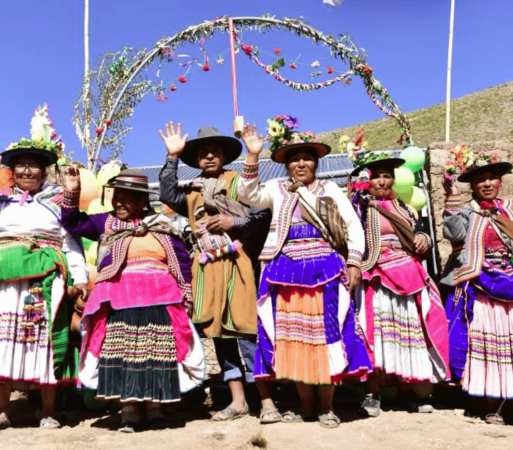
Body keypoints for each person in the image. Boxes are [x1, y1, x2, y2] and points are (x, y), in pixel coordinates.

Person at [236, 117, 371, 428]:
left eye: (307, 158)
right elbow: (247, 194)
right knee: (293, 339)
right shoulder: (277, 189)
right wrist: (253, 155)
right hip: (285, 273)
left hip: (326, 271)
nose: (301, 164)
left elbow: (352, 226)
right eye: (294, 159)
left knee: (326, 337)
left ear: (316, 163)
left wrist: (354, 262)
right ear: (286, 165)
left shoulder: (330, 190)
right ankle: (305, 406)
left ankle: (327, 407)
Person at [0, 105, 88, 432]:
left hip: (43, 281)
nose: (28, 171)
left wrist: (80, 278)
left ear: (44, 173)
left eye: (34, 166)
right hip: (4, 284)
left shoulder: (58, 202)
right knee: (2, 342)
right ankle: (3, 412)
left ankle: (48, 411)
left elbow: (70, 242)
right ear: (13, 172)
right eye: (21, 166)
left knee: (44, 341)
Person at [60, 168, 205, 432]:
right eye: (116, 197)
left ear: (142, 201)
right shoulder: (106, 223)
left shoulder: (162, 225)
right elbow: (73, 223)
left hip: (159, 298)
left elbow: (182, 261)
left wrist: (186, 294)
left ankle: (154, 409)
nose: (118, 203)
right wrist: (71, 191)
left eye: (126, 198)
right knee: (123, 354)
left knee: (155, 354)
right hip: (119, 299)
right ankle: (129, 412)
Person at [157, 123, 272, 421]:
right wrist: (172, 158)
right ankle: (238, 401)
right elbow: (167, 194)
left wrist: (234, 222)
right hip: (207, 268)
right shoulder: (192, 191)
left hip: (238, 264)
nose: (209, 156)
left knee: (247, 330)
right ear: (197, 160)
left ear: (224, 156)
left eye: (215, 151)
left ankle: (267, 400)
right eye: (203, 153)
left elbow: (262, 215)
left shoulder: (240, 183)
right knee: (219, 333)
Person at [442, 151, 513, 428]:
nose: (487, 183)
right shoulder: (467, 210)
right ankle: (492, 406)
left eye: (492, 178)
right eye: (480, 180)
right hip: (482, 284)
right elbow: (454, 234)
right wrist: (452, 197)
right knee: (488, 346)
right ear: (472, 185)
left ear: (500, 181)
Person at [347, 149, 449, 418]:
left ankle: (407, 392)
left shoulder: (405, 208)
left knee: (408, 333)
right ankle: (373, 394)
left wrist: (424, 238)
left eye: (387, 176)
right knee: (375, 333)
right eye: (376, 176)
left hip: (407, 274)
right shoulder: (358, 207)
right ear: (366, 179)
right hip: (375, 274)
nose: (382, 181)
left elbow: (418, 232)